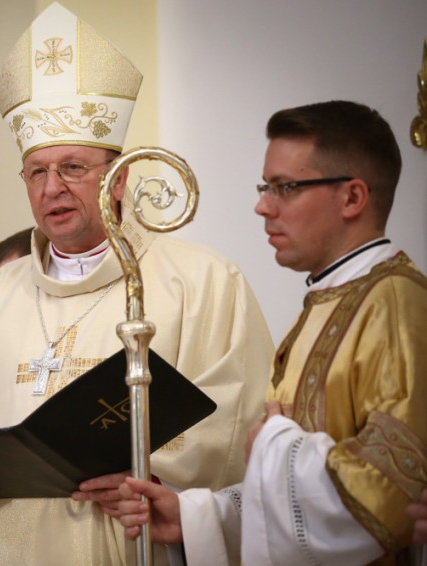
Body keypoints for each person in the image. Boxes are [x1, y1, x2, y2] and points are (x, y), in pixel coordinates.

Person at [0, 3, 274, 565]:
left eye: (73, 168)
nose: (51, 188)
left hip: (127, 541)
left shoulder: (202, 281)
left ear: (120, 179)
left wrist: (156, 477)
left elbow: (234, 421)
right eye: (37, 171)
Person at [118, 100, 427, 566]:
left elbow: (387, 497)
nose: (262, 206)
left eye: (285, 187)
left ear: (352, 198)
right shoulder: (327, 301)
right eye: (265, 187)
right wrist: (199, 518)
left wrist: (274, 444)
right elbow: (295, 500)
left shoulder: (397, 304)